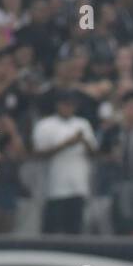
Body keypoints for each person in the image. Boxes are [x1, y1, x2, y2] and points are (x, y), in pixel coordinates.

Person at [34, 90, 97, 235]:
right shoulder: (45, 125)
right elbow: (39, 154)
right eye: (65, 104)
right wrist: (66, 144)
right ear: (58, 105)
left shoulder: (83, 124)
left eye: (72, 105)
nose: (69, 108)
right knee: (51, 231)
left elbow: (94, 153)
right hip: (54, 188)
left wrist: (84, 141)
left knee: (75, 230)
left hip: (78, 187)